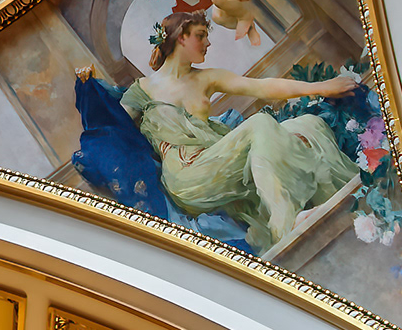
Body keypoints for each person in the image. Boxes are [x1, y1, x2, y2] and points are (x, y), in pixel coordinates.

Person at [113, 13, 367, 253]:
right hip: (187, 176)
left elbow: (262, 87)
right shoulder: (143, 90)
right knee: (259, 124)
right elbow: (114, 129)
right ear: (181, 37)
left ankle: (329, 202)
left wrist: (322, 87)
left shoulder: (207, 78)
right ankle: (286, 221)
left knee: (307, 124)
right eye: (201, 35)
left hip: (218, 158)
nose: (208, 42)